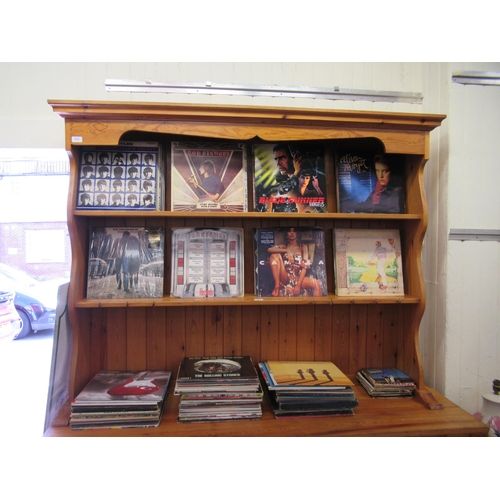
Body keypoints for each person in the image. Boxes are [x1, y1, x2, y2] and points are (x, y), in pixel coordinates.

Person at [267, 228, 323, 297]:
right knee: (275, 255)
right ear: (287, 234)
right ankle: (277, 286)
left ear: (297, 233)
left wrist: (298, 285)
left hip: (298, 277)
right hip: (286, 277)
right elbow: (269, 249)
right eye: (289, 231)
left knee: (316, 283)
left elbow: (305, 266)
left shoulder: (303, 247)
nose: (292, 233)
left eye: (294, 231)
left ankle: (317, 307)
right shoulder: (284, 246)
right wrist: (286, 251)